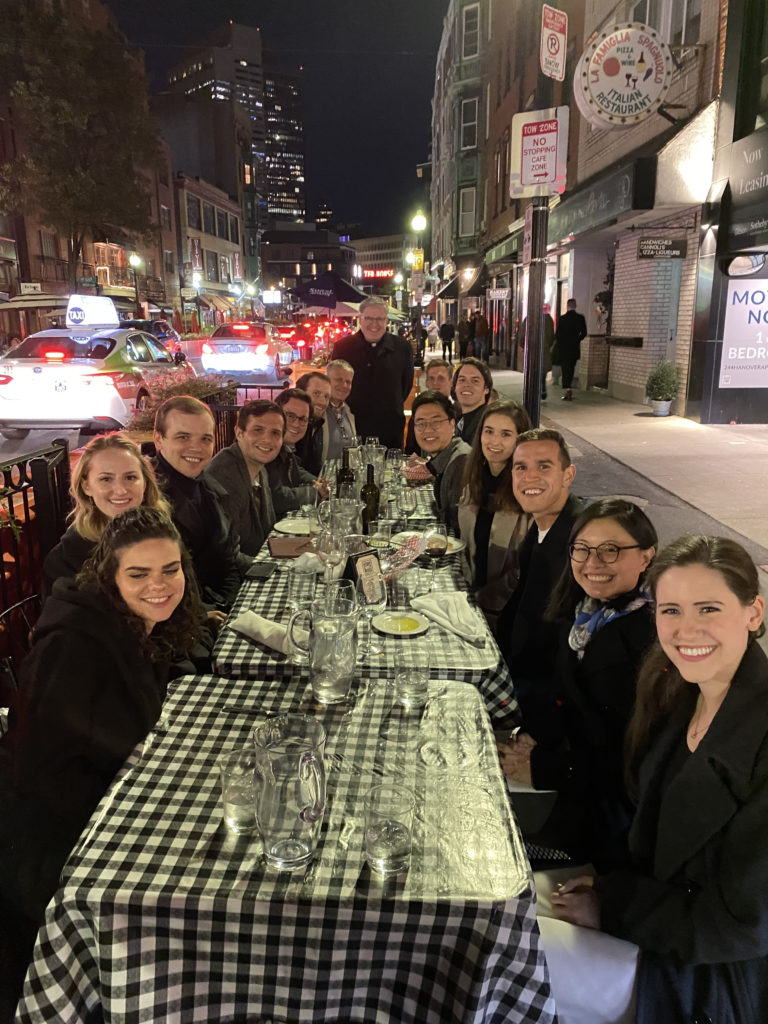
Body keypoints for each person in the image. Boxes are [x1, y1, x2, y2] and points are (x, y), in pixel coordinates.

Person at [550, 535, 768, 1024]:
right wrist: (606, 888)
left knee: (499, 954)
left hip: (704, 979)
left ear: (753, 613)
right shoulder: (678, 693)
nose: (686, 629)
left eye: (708, 608)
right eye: (671, 610)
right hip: (653, 923)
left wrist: (613, 906)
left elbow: (743, 926)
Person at [0, 507, 201, 1012]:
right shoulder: (73, 643)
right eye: (138, 573)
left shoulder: (134, 624)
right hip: (66, 843)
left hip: (119, 797)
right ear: (110, 575)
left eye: (170, 569)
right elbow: (47, 770)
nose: (160, 585)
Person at [502, 499, 657, 870]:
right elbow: (562, 694)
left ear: (646, 557)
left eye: (611, 551)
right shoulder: (586, 612)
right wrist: (531, 734)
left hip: (603, 825)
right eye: (582, 550)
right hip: (571, 773)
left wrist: (544, 767)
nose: (592, 564)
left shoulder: (646, 640)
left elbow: (629, 760)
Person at [495, 429, 586, 728]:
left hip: (545, 709)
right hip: (520, 677)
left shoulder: (580, 543)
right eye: (521, 467)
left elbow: (569, 650)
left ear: (567, 475)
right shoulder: (541, 526)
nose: (529, 477)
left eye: (544, 466)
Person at [42, 433, 170, 597]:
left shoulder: (165, 533)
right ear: (86, 486)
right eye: (106, 479)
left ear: (144, 483)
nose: (120, 490)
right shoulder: (64, 561)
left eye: (130, 477)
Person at [152, 395, 240, 618]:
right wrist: (204, 615)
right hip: (182, 621)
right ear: (158, 439)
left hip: (219, 607)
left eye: (205, 439)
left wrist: (229, 603)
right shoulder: (148, 499)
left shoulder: (209, 487)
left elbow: (227, 558)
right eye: (183, 437)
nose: (197, 448)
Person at [457, 401, 532, 625]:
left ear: (520, 440)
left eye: (506, 434)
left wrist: (482, 600)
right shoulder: (474, 479)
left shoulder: (525, 492)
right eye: (488, 431)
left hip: (507, 613)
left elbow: (523, 570)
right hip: (471, 600)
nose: (494, 442)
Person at [205, 400, 283, 567]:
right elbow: (227, 557)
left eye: (275, 433)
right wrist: (274, 569)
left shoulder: (259, 467)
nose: (267, 440)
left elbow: (265, 532)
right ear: (239, 433)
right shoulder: (222, 476)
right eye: (258, 430)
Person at [332, 296, 413, 449]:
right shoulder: (342, 348)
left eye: (380, 319)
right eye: (369, 318)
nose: (374, 324)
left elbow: (405, 386)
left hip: (390, 427)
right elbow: (334, 386)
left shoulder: (402, 347)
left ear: (387, 321)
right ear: (360, 319)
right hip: (353, 426)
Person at [410, 390, 470, 535]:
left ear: (452, 425)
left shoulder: (460, 462)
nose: (428, 430)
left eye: (436, 422)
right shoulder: (448, 456)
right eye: (421, 423)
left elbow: (456, 527)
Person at [268, 388, 329, 514]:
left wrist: (318, 482)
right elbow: (278, 498)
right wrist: (315, 491)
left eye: (303, 419)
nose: (296, 424)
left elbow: (295, 469)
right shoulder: (266, 448)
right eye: (290, 416)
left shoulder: (285, 448)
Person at [404, 358, 458, 455]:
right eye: (431, 379)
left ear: (451, 382)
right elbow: (410, 452)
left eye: (441, 378)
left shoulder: (459, 413)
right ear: (426, 383)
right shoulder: (418, 414)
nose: (435, 383)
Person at [294, 371, 331, 475]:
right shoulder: (289, 426)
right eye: (316, 394)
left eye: (326, 396)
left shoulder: (316, 425)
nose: (322, 402)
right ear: (300, 393)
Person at [323, 359, 357, 461]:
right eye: (339, 380)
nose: (344, 386)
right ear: (326, 380)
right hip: (318, 476)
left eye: (348, 382)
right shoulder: (317, 411)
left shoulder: (349, 412)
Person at [517, 306, 554, 399]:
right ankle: (542, 387)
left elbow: (522, 335)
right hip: (543, 349)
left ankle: (534, 390)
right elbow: (551, 337)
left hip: (532, 350)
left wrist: (523, 345)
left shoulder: (528, 319)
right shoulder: (548, 320)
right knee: (542, 370)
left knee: (533, 370)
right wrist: (547, 345)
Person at [453, 357, 492, 445]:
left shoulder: (488, 423)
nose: (467, 385)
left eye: (475, 381)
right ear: (455, 387)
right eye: (462, 380)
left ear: (486, 389)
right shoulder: (457, 419)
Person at [554, 298, 587, 401]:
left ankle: (567, 389)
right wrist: (577, 339)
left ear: (567, 306)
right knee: (571, 368)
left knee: (565, 369)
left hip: (564, 348)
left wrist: (560, 344)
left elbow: (557, 334)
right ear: (575, 306)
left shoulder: (563, 319)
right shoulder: (580, 318)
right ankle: (568, 388)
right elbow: (584, 333)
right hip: (574, 348)